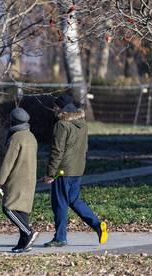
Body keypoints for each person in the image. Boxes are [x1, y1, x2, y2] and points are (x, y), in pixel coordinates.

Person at [43, 94, 108, 247]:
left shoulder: (61, 125)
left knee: (59, 204)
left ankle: (60, 238)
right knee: (73, 200)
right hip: (78, 169)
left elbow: (57, 151)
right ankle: (98, 225)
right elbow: (85, 147)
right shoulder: (82, 123)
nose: (54, 108)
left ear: (63, 109)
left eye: (56, 106)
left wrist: (50, 173)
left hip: (63, 171)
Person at [0, 107, 39, 253]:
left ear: (13, 121)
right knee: (22, 210)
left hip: (17, 178)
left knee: (8, 208)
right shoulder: (31, 136)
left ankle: (29, 233)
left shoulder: (16, 138)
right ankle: (23, 242)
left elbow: (8, 162)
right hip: (30, 178)